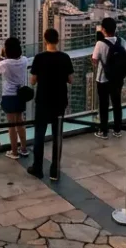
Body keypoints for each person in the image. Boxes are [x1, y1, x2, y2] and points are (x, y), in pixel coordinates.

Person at [27, 28, 73, 180]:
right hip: (60, 101)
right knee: (57, 135)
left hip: (43, 101)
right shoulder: (65, 58)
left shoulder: (39, 58)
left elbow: (32, 81)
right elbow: (70, 80)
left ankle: (37, 168)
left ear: (45, 40)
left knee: (39, 134)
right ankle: (55, 170)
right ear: (58, 40)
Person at [0, 37, 30, 160]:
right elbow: (17, 60)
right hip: (21, 95)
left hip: (9, 95)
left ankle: (14, 152)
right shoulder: (24, 60)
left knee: (11, 125)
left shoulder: (5, 64)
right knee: (20, 121)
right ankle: (24, 148)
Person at [91, 17, 126, 139]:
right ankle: (117, 130)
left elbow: (94, 60)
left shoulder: (100, 44)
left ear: (103, 29)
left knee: (103, 104)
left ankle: (103, 131)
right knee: (117, 103)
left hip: (103, 79)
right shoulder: (121, 41)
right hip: (118, 78)